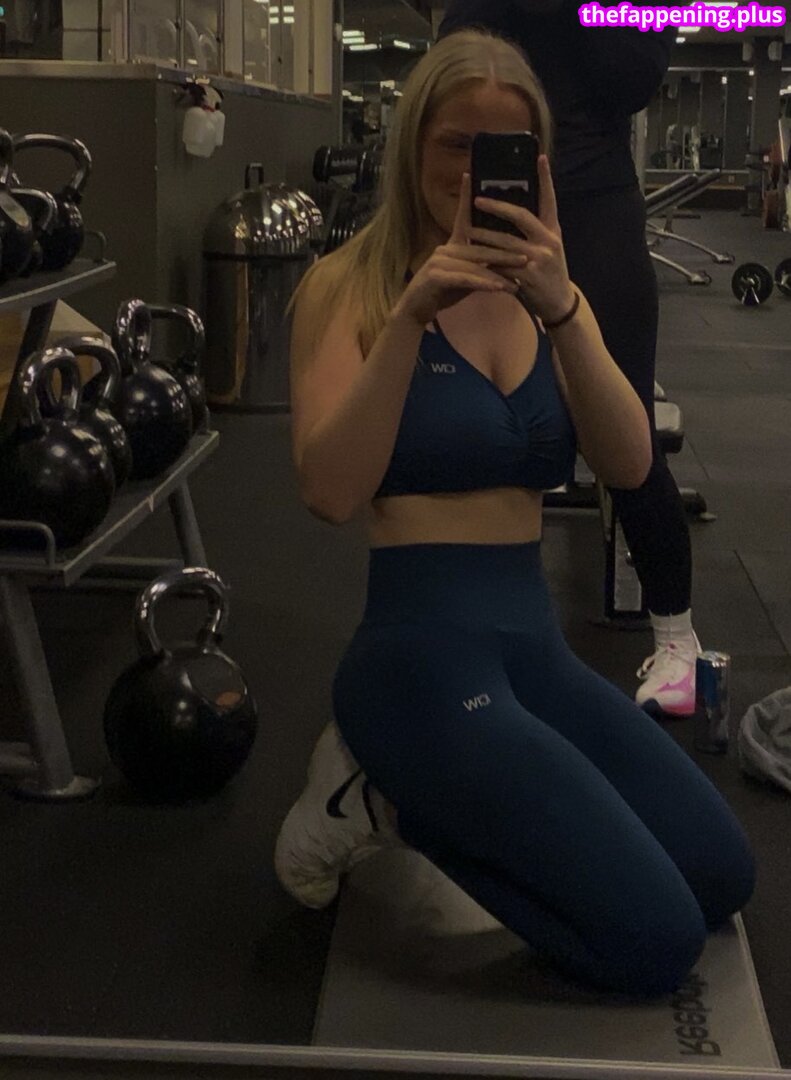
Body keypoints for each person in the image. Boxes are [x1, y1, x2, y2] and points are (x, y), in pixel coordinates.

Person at [275, 30, 755, 998]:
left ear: (537, 163)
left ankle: (405, 794)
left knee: (719, 875)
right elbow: (329, 492)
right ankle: (383, 796)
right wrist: (410, 318)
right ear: (412, 144)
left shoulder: (549, 296)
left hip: (531, 654)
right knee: (653, 943)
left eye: (501, 151)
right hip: (416, 662)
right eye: (454, 144)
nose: (472, 173)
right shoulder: (349, 287)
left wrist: (564, 306)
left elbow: (627, 464)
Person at [438, 0, 700, 719]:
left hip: (593, 204)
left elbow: (633, 79)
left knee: (628, 427)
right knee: (467, 413)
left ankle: (676, 638)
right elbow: (454, 57)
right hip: (488, 196)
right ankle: (465, 622)